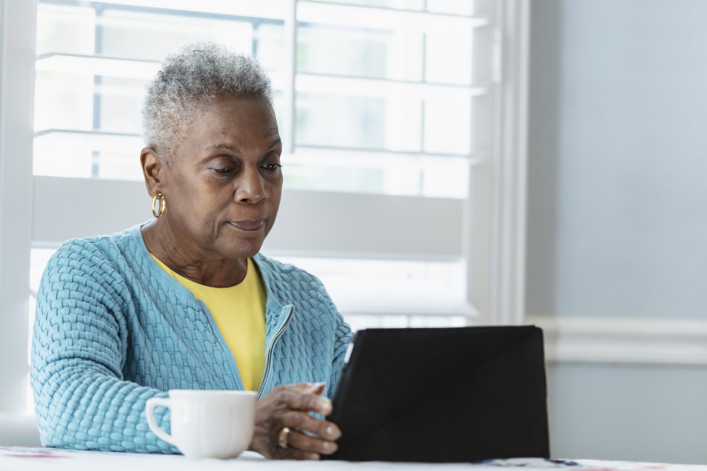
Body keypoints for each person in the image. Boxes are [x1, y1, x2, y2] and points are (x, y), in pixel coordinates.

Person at [30, 41, 352, 460]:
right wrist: (243, 425)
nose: (255, 191)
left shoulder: (305, 297)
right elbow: (69, 406)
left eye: (270, 164)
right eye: (224, 168)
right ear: (155, 173)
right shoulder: (91, 272)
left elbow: (363, 416)